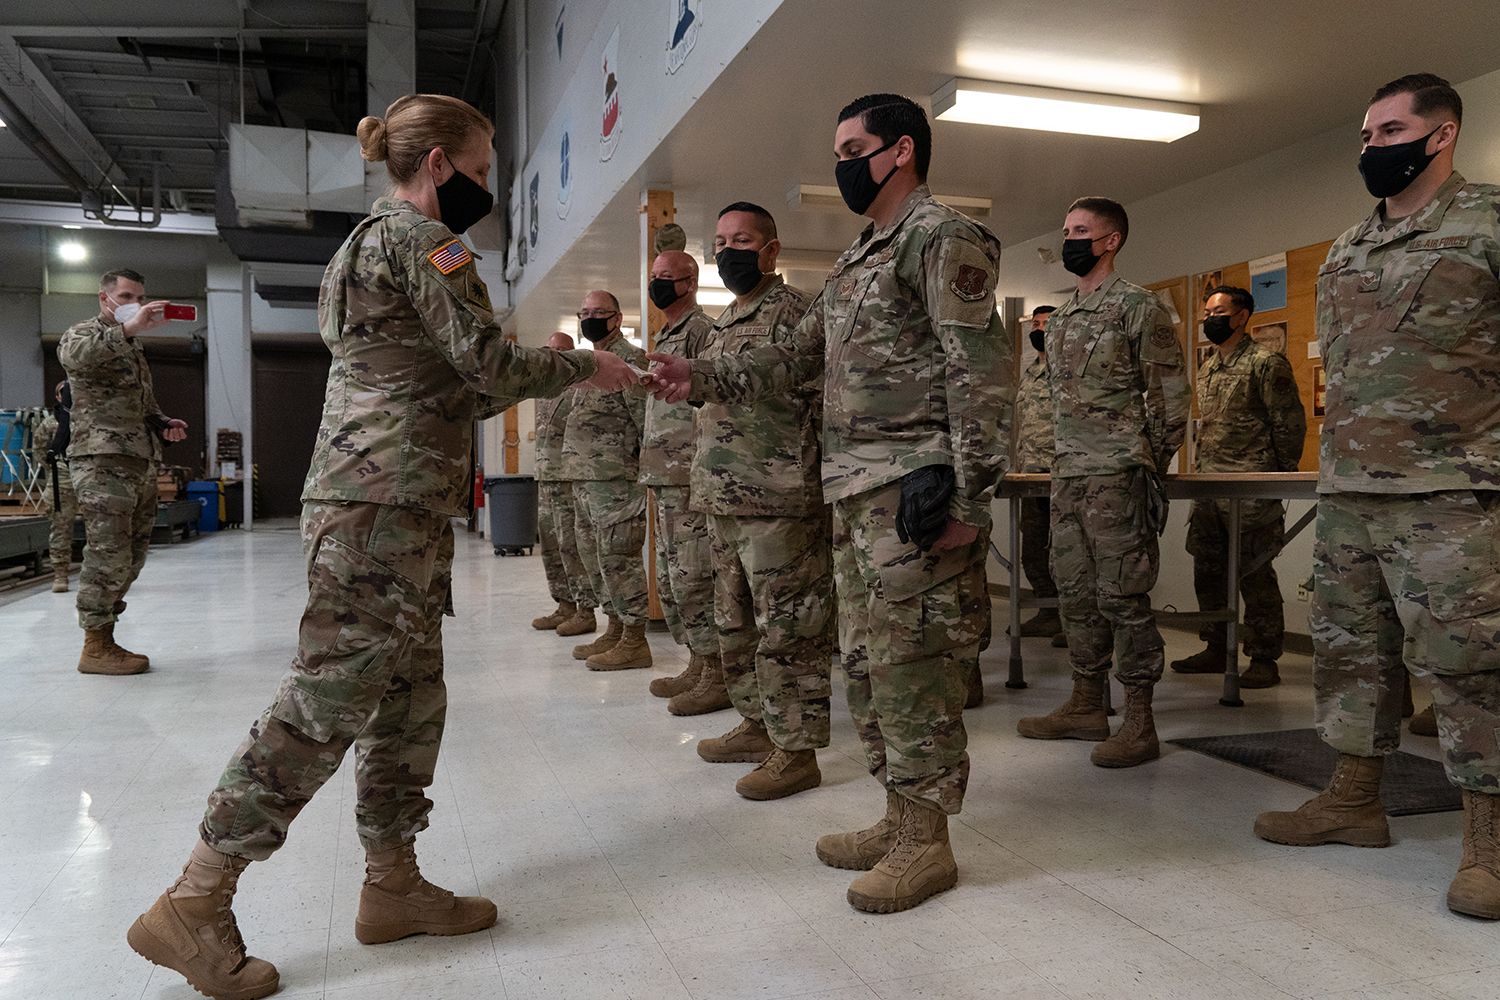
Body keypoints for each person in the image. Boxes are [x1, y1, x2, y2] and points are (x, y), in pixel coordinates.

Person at [125, 94, 636, 1000]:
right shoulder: (423, 242)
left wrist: (537, 372)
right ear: (438, 164)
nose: (487, 187)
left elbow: (448, 388)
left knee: (406, 695)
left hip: (393, 496)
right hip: (382, 502)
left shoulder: (359, 249)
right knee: (330, 697)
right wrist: (586, 365)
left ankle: (391, 881)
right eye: (481, 170)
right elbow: (486, 365)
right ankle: (195, 899)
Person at [648, 94, 1010, 911]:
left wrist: (970, 493)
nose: (842, 162)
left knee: (915, 666)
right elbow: (789, 356)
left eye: (854, 147)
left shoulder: (942, 237)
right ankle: (899, 814)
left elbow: (980, 372)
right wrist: (699, 375)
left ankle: (929, 842)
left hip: (915, 491)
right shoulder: (856, 262)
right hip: (851, 493)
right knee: (868, 664)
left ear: (902, 151)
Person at [1254, 73, 1500, 920]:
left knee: (1471, 667)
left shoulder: (1489, 223)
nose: (1371, 147)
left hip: (1454, 491)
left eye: (1389, 130)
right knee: (1350, 652)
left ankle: (1488, 841)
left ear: (1441, 135)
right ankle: (1354, 800)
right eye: (1364, 135)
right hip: (1353, 490)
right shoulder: (1351, 245)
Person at [1015, 197, 1189, 768]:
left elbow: (1169, 401)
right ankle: (1087, 703)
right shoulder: (1063, 318)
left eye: (1080, 231)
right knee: (1075, 593)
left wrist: (1145, 467)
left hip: (1117, 477)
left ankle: (1139, 719)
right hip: (1067, 476)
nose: (1069, 240)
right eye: (1066, 230)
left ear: (1110, 240)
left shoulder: (1137, 307)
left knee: (1122, 595)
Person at [686, 201, 834, 798]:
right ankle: (756, 723)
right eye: (719, 241)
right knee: (734, 622)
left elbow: (821, 397)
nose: (727, 251)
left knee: (789, 629)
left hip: (779, 497)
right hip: (723, 496)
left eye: (740, 240)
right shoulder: (724, 320)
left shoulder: (795, 313)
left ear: (771, 250)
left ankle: (796, 751)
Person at [1170, 284, 1305, 688]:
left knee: (1255, 574)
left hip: (1250, 491)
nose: (1211, 319)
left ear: (1242, 316)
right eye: (1207, 313)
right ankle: (1216, 645)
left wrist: (1274, 481)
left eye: (1219, 312)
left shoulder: (1267, 363)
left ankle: (1264, 658)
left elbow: (1289, 425)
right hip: (1211, 488)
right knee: (1208, 571)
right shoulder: (1209, 365)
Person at [57, 269, 187, 675]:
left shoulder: (133, 347)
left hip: (137, 458)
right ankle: (94, 644)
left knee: (131, 555)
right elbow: (75, 359)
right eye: (127, 295)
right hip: (100, 460)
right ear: (105, 298)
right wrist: (127, 327)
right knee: (107, 552)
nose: (136, 301)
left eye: (141, 295)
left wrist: (163, 421)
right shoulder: (83, 334)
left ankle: (106, 635)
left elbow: (141, 404)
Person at [638, 251, 721, 701]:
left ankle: (717, 670)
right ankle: (698, 660)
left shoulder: (701, 331)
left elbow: (711, 394)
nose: (658, 285)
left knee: (695, 574)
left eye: (666, 278)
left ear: (689, 283)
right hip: (663, 471)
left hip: (689, 471)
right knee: (672, 578)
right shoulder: (667, 332)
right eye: (654, 277)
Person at [561, 290, 654, 670]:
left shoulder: (629, 360)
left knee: (619, 558)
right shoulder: (587, 363)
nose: (590, 318)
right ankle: (614, 628)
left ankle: (635, 639)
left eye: (598, 312)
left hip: (616, 480)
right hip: (583, 478)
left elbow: (645, 421)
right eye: (584, 312)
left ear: (617, 318)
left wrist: (644, 476)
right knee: (594, 557)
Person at [531, 331, 594, 633]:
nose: (555, 355)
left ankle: (585, 609)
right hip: (545, 479)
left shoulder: (580, 388)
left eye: (562, 351)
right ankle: (563, 604)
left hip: (568, 478)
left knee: (572, 545)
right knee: (550, 545)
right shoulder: (543, 390)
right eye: (550, 349)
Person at [1012, 304, 1064, 644]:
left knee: (1066, 552)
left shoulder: (1069, 371)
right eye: (1035, 323)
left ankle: (1074, 621)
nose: (1038, 329)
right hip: (1030, 476)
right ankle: (1048, 613)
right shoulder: (1029, 374)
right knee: (1032, 550)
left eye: (1045, 323)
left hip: (1061, 476)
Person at [36, 380, 79, 593]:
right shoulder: (50, 424)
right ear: (57, 396)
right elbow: (40, 450)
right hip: (62, 479)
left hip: (88, 477)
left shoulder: (84, 419)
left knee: (99, 528)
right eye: (63, 392)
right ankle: (60, 574)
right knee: (60, 527)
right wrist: (55, 468)